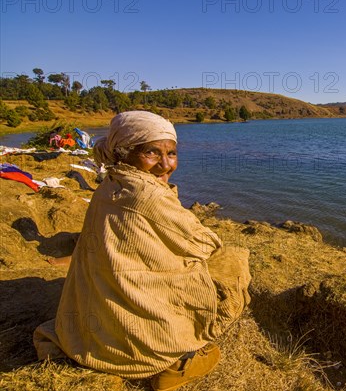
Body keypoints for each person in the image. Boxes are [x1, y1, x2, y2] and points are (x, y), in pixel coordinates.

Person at [33, 111, 251, 391]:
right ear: (124, 153)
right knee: (233, 260)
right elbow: (207, 245)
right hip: (137, 345)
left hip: (89, 337)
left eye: (171, 153)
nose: (165, 165)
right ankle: (174, 364)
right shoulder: (146, 195)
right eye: (151, 152)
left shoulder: (111, 184)